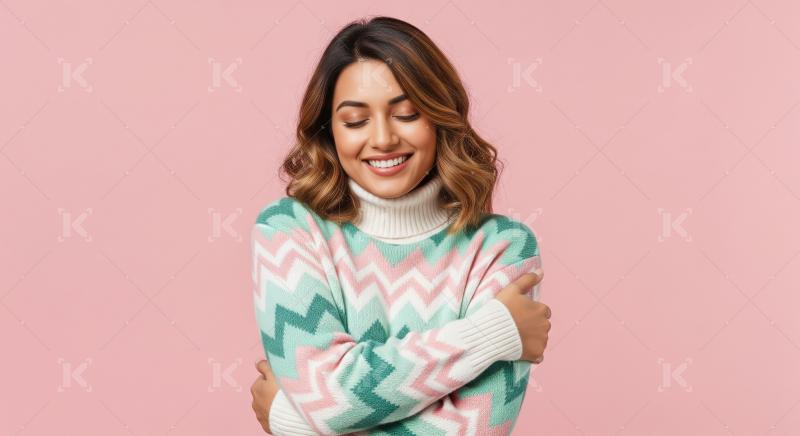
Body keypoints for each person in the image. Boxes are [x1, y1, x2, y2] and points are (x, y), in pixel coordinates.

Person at [250, 16, 551, 435]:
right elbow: (332, 402)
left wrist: (294, 425)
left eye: (407, 114)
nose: (383, 139)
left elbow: (472, 432)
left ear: (440, 117)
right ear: (329, 130)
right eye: (355, 121)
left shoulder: (501, 249)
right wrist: (490, 333)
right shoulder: (288, 232)